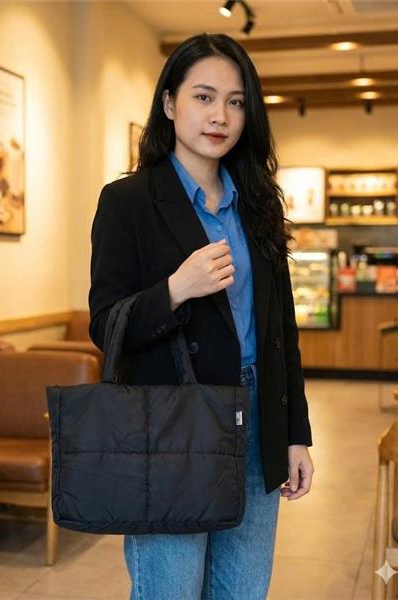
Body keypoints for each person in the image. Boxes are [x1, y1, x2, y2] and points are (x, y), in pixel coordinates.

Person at [88, 32, 314, 600]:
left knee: (243, 591)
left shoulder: (260, 205)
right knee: (171, 589)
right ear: (169, 103)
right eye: (204, 97)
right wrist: (175, 290)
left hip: (257, 418)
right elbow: (105, 324)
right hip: (173, 424)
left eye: (236, 102)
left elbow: (282, 333)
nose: (221, 116)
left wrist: (296, 436)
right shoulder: (127, 202)